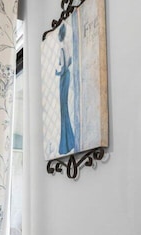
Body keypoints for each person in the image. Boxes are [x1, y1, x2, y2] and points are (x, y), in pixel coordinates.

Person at [56, 24, 76, 155]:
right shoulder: (68, 47)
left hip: (63, 77)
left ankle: (65, 144)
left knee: (63, 109)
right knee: (65, 108)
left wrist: (56, 73)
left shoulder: (61, 48)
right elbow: (69, 62)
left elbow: (62, 67)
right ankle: (69, 142)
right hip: (67, 76)